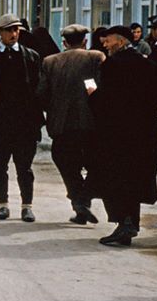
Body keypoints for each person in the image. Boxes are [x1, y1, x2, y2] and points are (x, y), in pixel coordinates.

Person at [87, 25, 157, 247]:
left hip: (116, 134)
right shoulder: (147, 64)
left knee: (116, 179)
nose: (105, 45)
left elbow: (108, 101)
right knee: (134, 178)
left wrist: (92, 94)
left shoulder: (113, 65)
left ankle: (124, 223)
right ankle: (130, 224)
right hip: (142, 134)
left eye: (107, 41)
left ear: (119, 41)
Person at [37, 24, 106, 225]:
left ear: (64, 42)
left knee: (67, 166)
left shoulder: (50, 62)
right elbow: (98, 87)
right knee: (95, 164)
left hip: (61, 126)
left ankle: (79, 201)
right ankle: (82, 200)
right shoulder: (96, 57)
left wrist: (55, 106)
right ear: (85, 41)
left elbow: (42, 94)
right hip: (91, 123)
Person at [0, 14, 44, 223]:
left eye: (16, 30)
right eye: (9, 30)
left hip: (24, 123)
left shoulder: (31, 56)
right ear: (0, 33)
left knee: (24, 167)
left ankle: (27, 206)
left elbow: (38, 89)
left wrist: (37, 118)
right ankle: (3, 205)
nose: (14, 34)